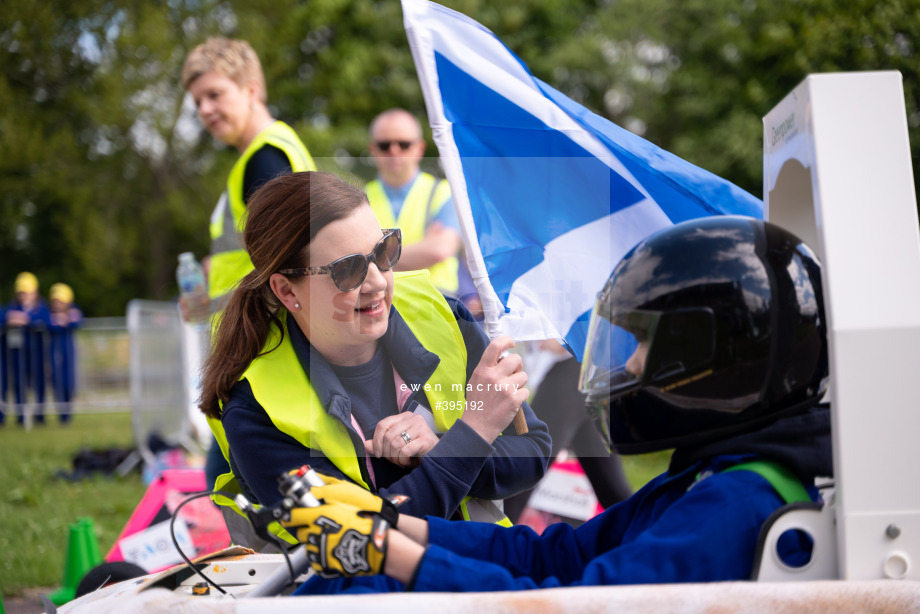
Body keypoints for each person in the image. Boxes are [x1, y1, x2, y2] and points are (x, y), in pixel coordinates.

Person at [281, 215, 833, 590]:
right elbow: (557, 558)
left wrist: (390, 556)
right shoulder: (719, 477)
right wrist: (395, 526)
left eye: (643, 345)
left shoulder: (737, 501)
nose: (633, 367)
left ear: (724, 357)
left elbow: (578, 602)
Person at [198, 172, 551, 554]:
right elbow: (362, 543)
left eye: (384, 252)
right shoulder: (254, 406)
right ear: (286, 291)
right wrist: (472, 434)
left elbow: (533, 451)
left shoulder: (444, 317)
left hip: (484, 577)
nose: (378, 282)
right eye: (348, 270)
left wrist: (439, 449)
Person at [181, 37, 316, 488]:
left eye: (215, 94)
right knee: (235, 480)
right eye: (197, 100)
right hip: (262, 341)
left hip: (261, 344)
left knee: (233, 483)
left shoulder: (265, 159)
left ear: (252, 89)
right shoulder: (274, 151)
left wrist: (221, 308)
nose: (204, 109)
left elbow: (286, 254)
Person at [366, 109, 467, 299]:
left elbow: (440, 250)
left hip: (436, 307)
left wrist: (370, 257)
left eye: (403, 144)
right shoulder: (358, 198)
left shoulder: (445, 192)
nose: (394, 151)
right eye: (384, 145)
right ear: (372, 149)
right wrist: (422, 249)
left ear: (420, 148)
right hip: (378, 307)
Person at [4, 272, 51, 426]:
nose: (23, 295)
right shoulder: (12, 306)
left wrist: (26, 319)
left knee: (38, 384)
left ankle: (39, 416)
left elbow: (46, 320)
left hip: (36, 352)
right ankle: (21, 417)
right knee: (19, 384)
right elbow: (5, 316)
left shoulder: (41, 307)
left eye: (26, 292)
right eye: (20, 292)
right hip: (18, 354)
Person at [47, 283, 83, 425]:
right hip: (54, 354)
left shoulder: (74, 311)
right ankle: (61, 416)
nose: (58, 304)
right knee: (57, 384)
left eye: (61, 301)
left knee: (69, 384)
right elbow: (47, 322)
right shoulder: (47, 313)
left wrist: (65, 319)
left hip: (69, 354)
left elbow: (78, 319)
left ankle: (67, 415)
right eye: (55, 301)